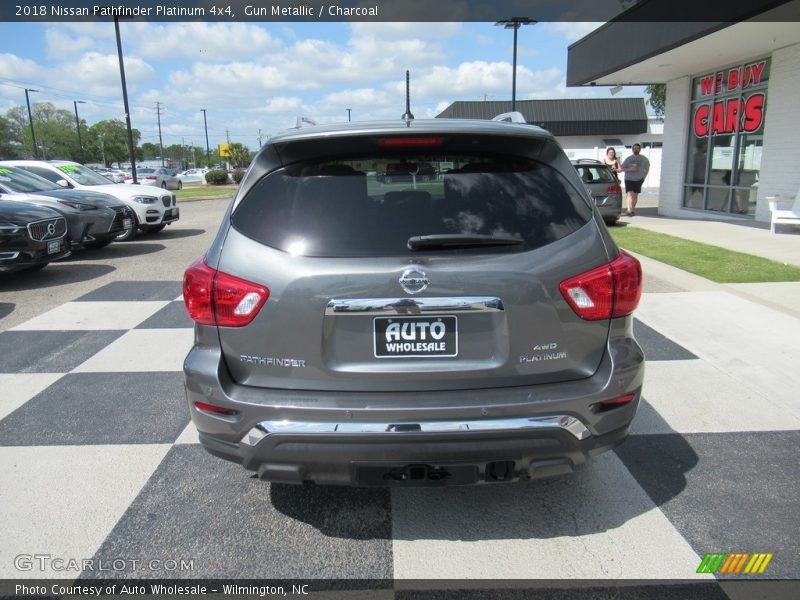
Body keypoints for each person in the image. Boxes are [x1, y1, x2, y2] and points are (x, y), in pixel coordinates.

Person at [620, 143, 650, 216]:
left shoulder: (644, 159)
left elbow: (647, 168)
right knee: (629, 194)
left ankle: (632, 209)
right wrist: (630, 169)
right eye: (634, 148)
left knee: (635, 195)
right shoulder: (628, 159)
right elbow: (621, 168)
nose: (636, 149)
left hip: (639, 179)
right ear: (632, 149)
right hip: (629, 179)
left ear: (640, 149)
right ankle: (629, 210)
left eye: (637, 148)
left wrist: (643, 178)